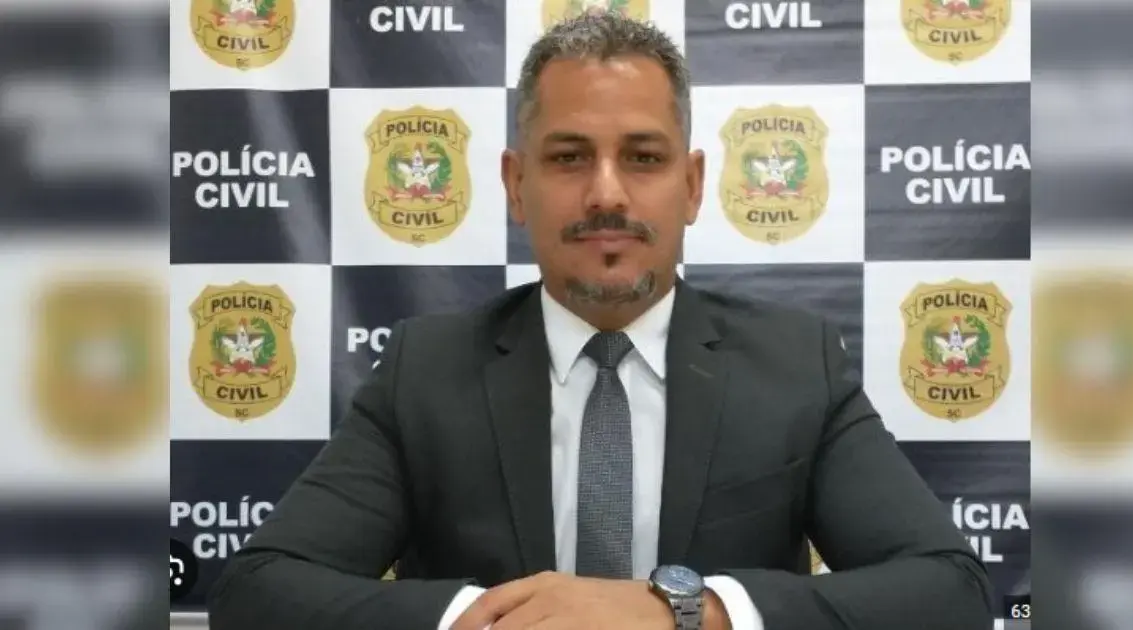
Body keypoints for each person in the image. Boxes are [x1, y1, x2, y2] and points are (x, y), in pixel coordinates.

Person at [206, 11, 994, 630]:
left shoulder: (797, 366)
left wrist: (689, 614)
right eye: (569, 156)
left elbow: (947, 592)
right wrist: (494, 620)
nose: (607, 194)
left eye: (644, 158)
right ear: (516, 186)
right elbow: (258, 594)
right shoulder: (425, 372)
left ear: (691, 186)